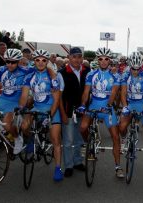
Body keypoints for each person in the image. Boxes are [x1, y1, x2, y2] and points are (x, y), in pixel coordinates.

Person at [78, 47, 123, 178]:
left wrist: (108, 105)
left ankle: (117, 167)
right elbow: (86, 92)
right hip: (93, 106)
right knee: (83, 128)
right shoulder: (91, 74)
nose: (103, 62)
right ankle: (89, 144)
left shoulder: (115, 76)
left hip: (107, 108)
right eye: (101, 59)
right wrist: (82, 105)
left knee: (115, 137)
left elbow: (114, 93)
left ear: (110, 61)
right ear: (98, 60)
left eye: (106, 59)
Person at [19, 49, 63, 182]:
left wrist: (51, 114)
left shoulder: (53, 76)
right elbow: (24, 96)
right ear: (34, 61)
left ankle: (57, 168)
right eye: (37, 60)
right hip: (37, 108)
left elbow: (56, 100)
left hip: (51, 109)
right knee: (24, 125)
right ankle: (31, 140)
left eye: (44, 60)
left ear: (47, 61)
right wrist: (21, 108)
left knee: (55, 139)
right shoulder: (29, 76)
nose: (40, 62)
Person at [118, 52, 143, 179]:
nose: (135, 71)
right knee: (122, 126)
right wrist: (124, 106)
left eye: (138, 68)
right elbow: (123, 93)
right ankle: (124, 139)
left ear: (141, 66)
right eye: (133, 68)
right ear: (129, 66)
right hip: (131, 104)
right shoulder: (125, 74)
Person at [58, 47, 89, 177]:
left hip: (82, 110)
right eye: (74, 56)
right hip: (68, 111)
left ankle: (77, 162)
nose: (77, 59)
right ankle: (69, 165)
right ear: (69, 58)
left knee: (78, 139)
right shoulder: (62, 73)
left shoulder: (87, 71)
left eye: (79, 56)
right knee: (68, 141)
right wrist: (63, 114)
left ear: (82, 58)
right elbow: (58, 96)